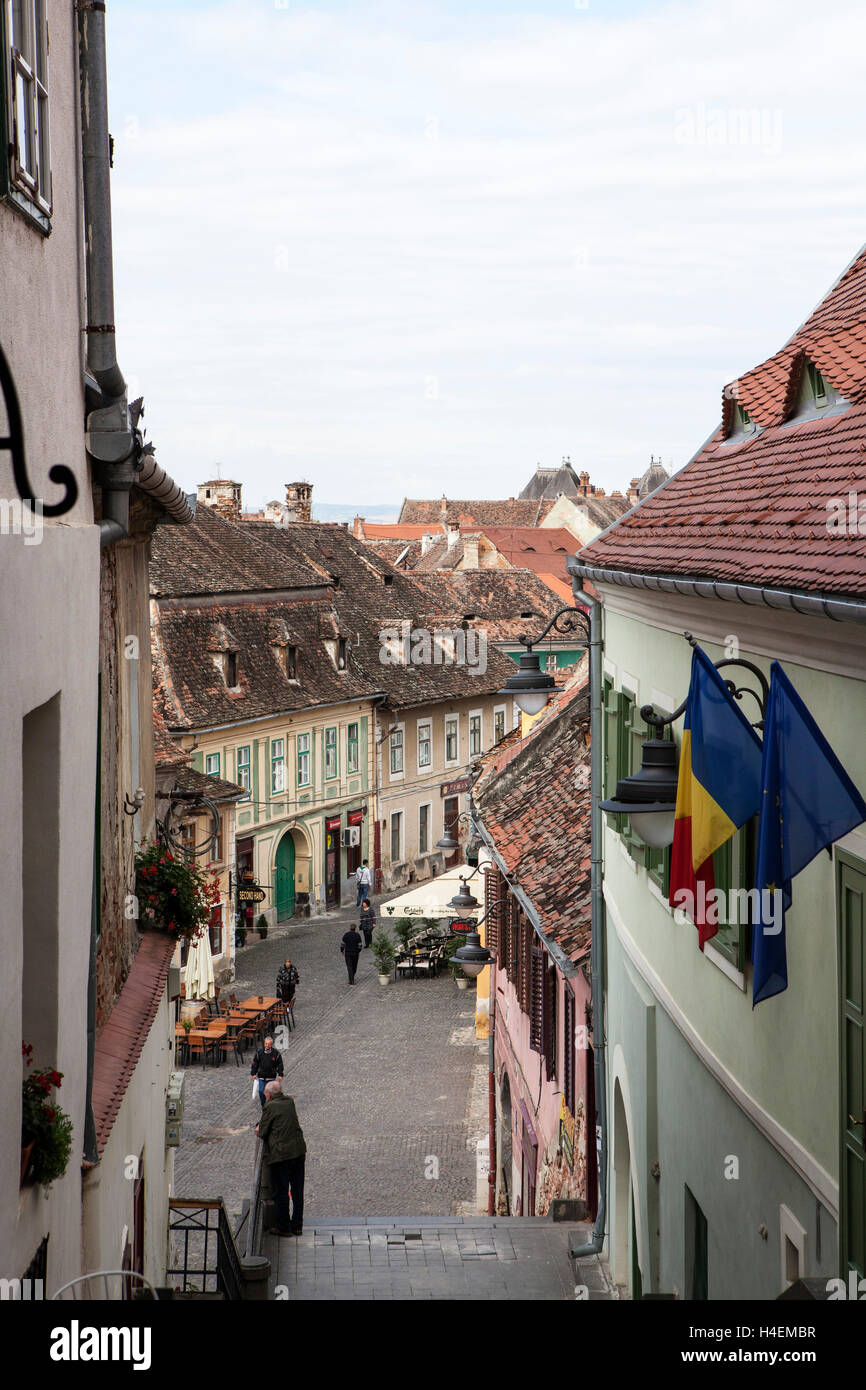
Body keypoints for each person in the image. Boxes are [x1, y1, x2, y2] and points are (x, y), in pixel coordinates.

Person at [256, 1080, 306, 1237]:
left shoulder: (269, 1106)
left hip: (282, 1154)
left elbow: (263, 1131)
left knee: (281, 1191)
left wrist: (259, 1127)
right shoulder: (289, 1102)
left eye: (266, 1095)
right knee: (297, 1190)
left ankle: (283, 1226)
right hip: (298, 1150)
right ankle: (297, 1225)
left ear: (269, 1095)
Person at [250, 1035, 284, 1109]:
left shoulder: (276, 1054)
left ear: (271, 1044)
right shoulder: (260, 1053)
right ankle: (264, 1106)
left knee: (271, 1093)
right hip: (262, 1076)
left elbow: (280, 1064)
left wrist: (280, 1074)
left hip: (271, 1077)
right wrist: (253, 1073)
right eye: (266, 1044)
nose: (267, 1045)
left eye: (268, 1044)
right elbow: (255, 1063)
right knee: (261, 1091)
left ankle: (270, 1105)